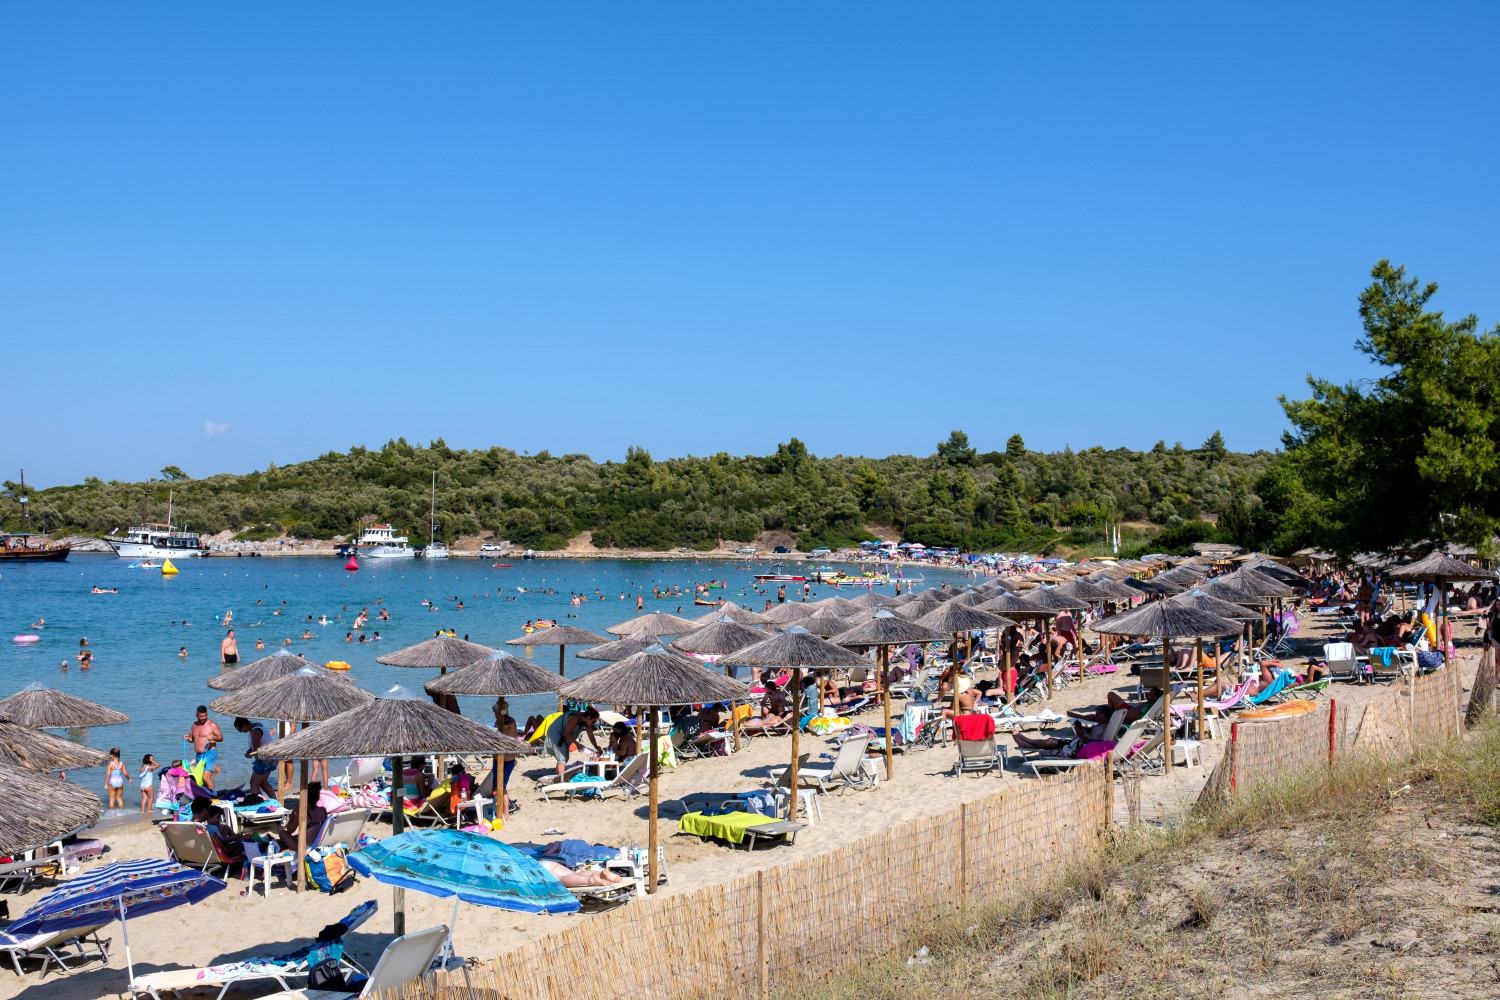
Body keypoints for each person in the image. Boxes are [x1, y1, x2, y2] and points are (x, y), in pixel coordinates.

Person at [543, 707, 602, 783]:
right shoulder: (574, 718)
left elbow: (590, 735)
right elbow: (567, 733)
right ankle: (561, 781)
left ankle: (559, 777)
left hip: (563, 735)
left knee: (563, 757)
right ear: (588, 718)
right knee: (562, 758)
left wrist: (596, 746)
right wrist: (577, 744)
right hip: (555, 733)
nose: (593, 724)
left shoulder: (586, 722)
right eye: (593, 721)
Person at [277, 781, 328, 852]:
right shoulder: (323, 810)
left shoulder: (301, 813)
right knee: (299, 835)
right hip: (320, 844)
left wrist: (293, 813)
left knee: (282, 832)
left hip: (305, 849)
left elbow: (289, 831)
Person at [184, 706, 224, 790]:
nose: (203, 718)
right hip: (199, 755)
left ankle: (214, 798)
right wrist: (187, 739)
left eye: (205, 716)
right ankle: (206, 797)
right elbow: (192, 739)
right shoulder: (194, 725)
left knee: (206, 777)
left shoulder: (212, 725)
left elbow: (220, 738)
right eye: (201, 716)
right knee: (201, 778)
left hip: (209, 753)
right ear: (196, 715)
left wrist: (213, 738)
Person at [235, 717, 276, 798]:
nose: (241, 732)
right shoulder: (257, 725)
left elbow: (257, 750)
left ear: (244, 726)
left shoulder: (254, 731)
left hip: (265, 761)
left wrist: (249, 755)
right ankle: (275, 802)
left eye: (240, 730)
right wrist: (249, 751)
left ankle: (258, 802)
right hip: (272, 759)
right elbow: (258, 744)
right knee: (263, 783)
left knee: (253, 784)